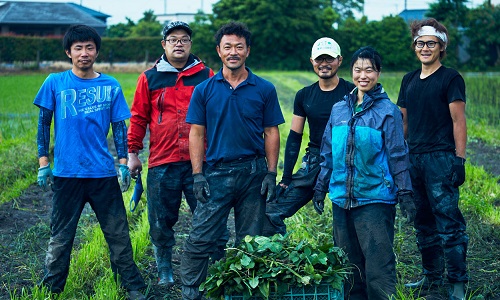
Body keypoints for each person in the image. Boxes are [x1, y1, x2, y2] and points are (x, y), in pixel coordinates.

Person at [34, 25, 146, 300]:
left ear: (96, 51)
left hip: (101, 174)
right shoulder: (55, 82)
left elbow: (119, 127)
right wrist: (43, 162)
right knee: (61, 237)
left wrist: (122, 162)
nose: (84, 53)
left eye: (89, 48)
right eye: (78, 48)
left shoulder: (110, 85)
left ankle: (132, 285)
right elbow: (43, 124)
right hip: (66, 174)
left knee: (118, 234)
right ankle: (51, 289)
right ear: (68, 52)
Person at [179, 21, 285, 300]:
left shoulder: (263, 88)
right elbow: (197, 133)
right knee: (201, 237)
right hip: (216, 174)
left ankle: (243, 292)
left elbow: (272, 132)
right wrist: (197, 175)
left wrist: (271, 174)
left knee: (250, 241)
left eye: (239, 46)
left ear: (247, 51)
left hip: (253, 173)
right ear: (219, 51)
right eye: (228, 47)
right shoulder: (204, 90)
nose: (233, 52)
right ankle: (191, 291)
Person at [127, 20, 227, 288]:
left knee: (209, 215)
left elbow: (218, 116)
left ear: (191, 44)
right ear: (164, 45)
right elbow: (138, 117)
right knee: (161, 220)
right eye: (173, 39)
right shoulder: (149, 77)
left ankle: (217, 266)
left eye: (184, 39)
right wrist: (133, 153)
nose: (179, 43)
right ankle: (164, 267)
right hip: (163, 161)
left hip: (201, 162)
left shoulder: (206, 75)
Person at [313, 46, 416, 300]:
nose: (363, 75)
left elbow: (398, 155)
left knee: (378, 269)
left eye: (369, 70)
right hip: (341, 199)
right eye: (358, 69)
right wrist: (320, 186)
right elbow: (328, 152)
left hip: (374, 199)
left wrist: (405, 192)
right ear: (352, 72)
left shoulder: (387, 111)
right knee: (348, 267)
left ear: (378, 73)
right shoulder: (339, 109)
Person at [397, 18, 468, 300]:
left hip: (440, 158)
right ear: (415, 47)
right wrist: (399, 156)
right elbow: (402, 122)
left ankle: (457, 281)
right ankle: (431, 277)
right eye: (420, 43)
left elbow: (458, 120)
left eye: (431, 43)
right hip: (413, 158)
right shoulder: (409, 79)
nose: (425, 48)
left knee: (449, 223)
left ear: (441, 47)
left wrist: (459, 160)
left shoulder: (451, 78)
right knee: (422, 221)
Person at [263, 37, 355, 236]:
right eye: (319, 59)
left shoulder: (352, 92)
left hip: (346, 160)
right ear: (312, 61)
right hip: (316, 160)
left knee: (348, 222)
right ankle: (276, 256)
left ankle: (350, 260)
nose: (324, 64)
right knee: (273, 211)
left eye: (329, 59)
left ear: (339, 60)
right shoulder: (304, 95)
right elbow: (295, 137)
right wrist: (286, 177)